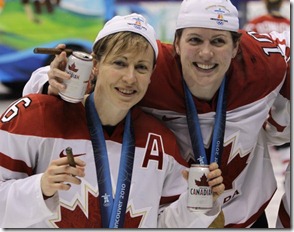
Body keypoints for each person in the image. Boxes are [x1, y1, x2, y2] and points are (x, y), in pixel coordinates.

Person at [22, 0, 291, 228]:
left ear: (236, 48)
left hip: (248, 213)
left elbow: (282, 128)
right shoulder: (147, 71)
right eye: (195, 40)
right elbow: (92, 77)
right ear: (176, 43)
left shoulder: (268, 67)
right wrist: (49, 81)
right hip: (177, 214)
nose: (206, 53)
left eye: (219, 41)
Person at [0, 13, 225, 228]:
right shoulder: (35, 117)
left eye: (141, 67)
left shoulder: (161, 142)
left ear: (151, 75)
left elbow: (162, 224)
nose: (130, 78)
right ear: (95, 65)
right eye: (119, 63)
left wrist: (197, 205)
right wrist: (41, 188)